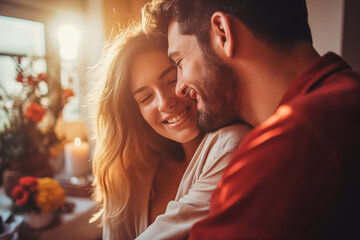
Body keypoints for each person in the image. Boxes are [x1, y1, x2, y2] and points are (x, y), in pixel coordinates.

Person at [142, 0, 360, 238]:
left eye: (179, 62)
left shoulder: (282, 150)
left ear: (222, 33)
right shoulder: (344, 95)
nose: (181, 87)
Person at [89, 23, 251, 240]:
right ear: (136, 112)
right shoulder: (133, 175)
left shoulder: (231, 144)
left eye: (171, 80)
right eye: (146, 98)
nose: (164, 103)